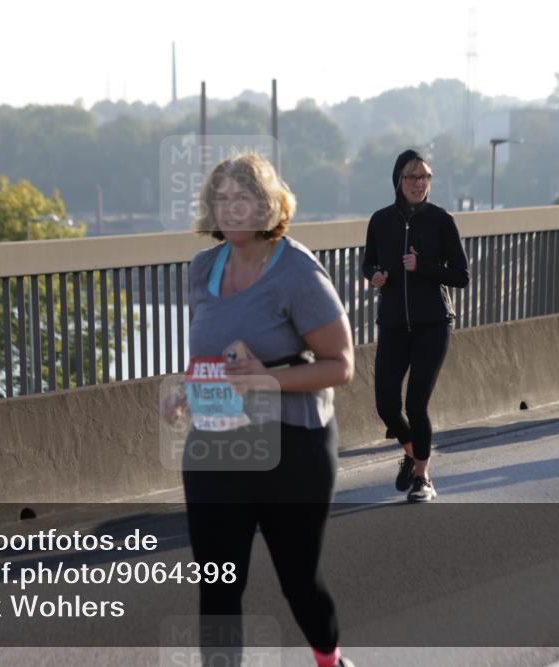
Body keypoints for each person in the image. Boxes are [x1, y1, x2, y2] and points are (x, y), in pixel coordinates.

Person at [161, 153, 355, 667]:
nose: (229, 209)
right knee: (218, 586)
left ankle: (329, 657)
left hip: (293, 444)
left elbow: (341, 365)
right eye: (220, 199)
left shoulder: (295, 269)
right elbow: (209, 350)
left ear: (266, 205)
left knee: (298, 581)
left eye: (242, 198)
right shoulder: (204, 267)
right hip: (217, 441)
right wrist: (184, 389)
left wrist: (267, 379)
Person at [362, 149, 469, 502]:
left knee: (416, 403)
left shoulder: (441, 220)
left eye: (424, 177)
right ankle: (411, 451)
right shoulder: (380, 221)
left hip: (432, 324)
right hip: (393, 324)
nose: (419, 184)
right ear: (398, 181)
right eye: (412, 177)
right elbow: (368, 264)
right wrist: (375, 276)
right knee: (386, 405)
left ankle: (423, 477)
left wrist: (422, 267)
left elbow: (461, 276)